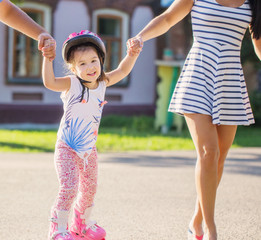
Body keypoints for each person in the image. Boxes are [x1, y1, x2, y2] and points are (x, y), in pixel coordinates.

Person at [127, 0, 261, 240]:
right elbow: (168, 18)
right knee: (209, 153)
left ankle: (197, 220)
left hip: (229, 79)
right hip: (199, 74)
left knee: (220, 157)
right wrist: (140, 37)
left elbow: (259, 47)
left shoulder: (254, 3)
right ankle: (210, 229)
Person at [42, 30, 142, 240]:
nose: (90, 67)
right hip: (67, 148)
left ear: (101, 60)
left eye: (94, 61)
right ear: (73, 68)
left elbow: (123, 70)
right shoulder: (72, 84)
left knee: (90, 188)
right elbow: (50, 83)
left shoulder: (103, 82)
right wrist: (47, 59)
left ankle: (81, 224)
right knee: (69, 186)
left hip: (89, 150)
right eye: (83, 64)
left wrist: (132, 54)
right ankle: (58, 228)